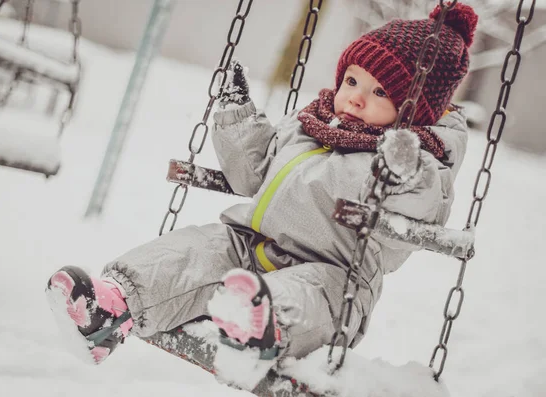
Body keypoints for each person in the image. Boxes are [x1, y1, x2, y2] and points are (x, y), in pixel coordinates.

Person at [46, 2, 477, 388]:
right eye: (352, 80)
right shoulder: (311, 126)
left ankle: (257, 327)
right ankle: (110, 308)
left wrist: (405, 170)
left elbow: (413, 221)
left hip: (333, 276)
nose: (357, 99)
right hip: (252, 246)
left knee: (301, 295)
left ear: (414, 111)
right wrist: (237, 114)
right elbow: (255, 169)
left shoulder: (413, 164)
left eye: (381, 92)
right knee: (197, 250)